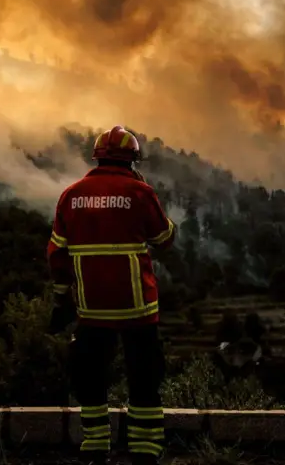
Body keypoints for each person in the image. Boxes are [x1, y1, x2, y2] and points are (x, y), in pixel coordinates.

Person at [47, 125, 177, 465]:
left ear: (97, 157)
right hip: (137, 305)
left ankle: (95, 442)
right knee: (144, 373)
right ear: (132, 160)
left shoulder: (71, 195)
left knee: (90, 374)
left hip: (92, 306)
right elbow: (164, 239)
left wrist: (61, 297)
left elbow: (56, 253)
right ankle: (145, 448)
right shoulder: (139, 192)